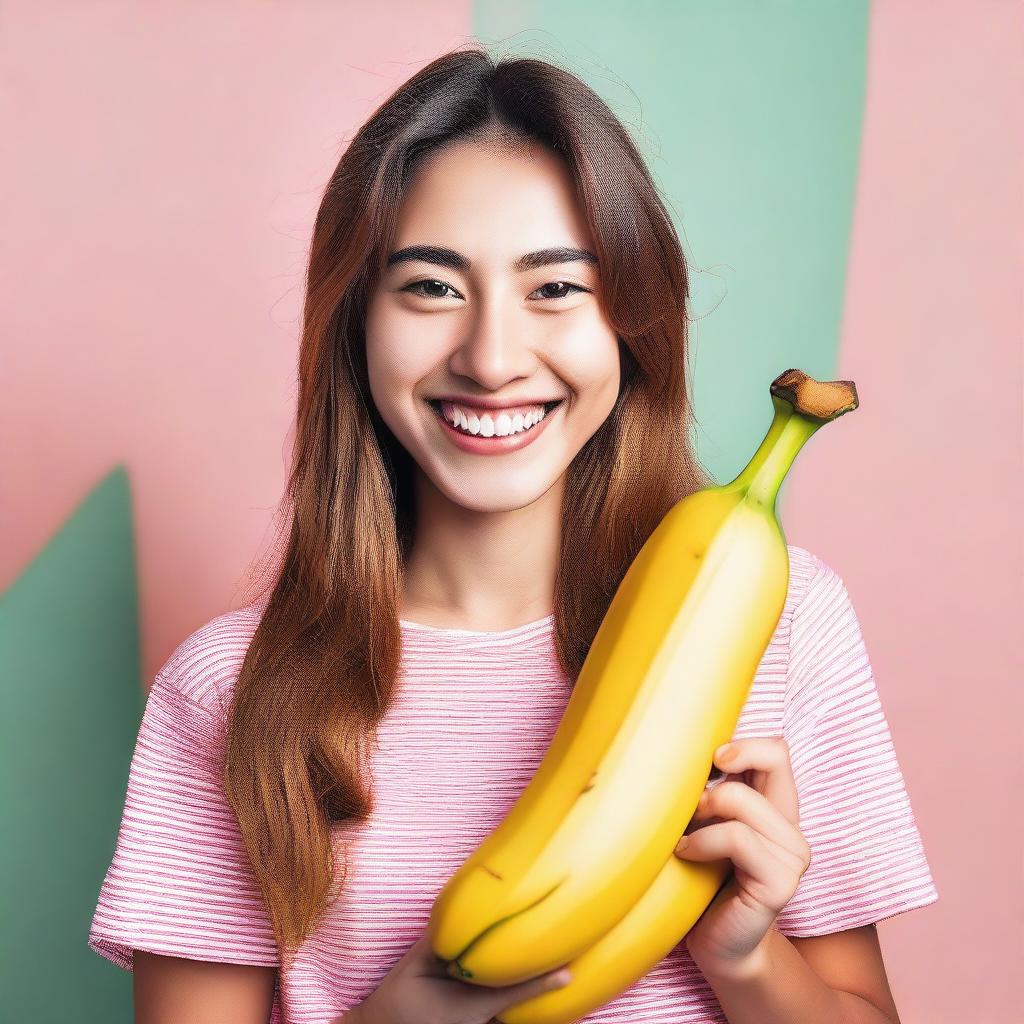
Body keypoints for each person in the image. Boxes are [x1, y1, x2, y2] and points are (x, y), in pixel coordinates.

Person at [87, 46, 938, 1024]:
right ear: (357, 321)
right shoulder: (233, 692)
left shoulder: (780, 622)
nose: (491, 357)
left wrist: (746, 960)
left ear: (632, 321)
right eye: (431, 288)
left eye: (556, 289)